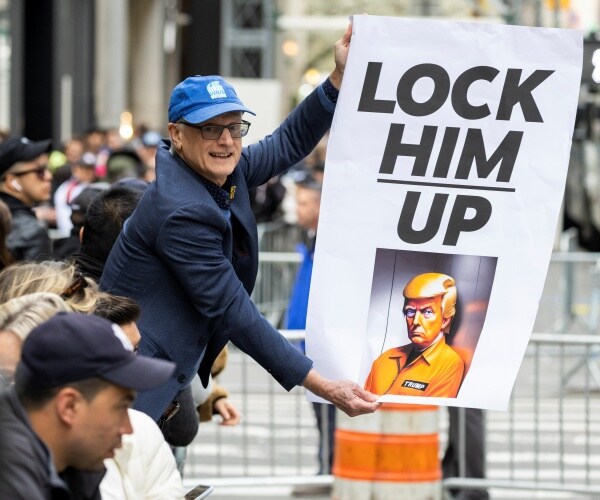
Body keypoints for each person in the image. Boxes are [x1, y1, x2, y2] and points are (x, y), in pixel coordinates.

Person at [100, 24, 379, 422]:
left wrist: (337, 77)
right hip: (130, 388)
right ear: (176, 134)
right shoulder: (180, 210)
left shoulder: (223, 169)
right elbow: (233, 309)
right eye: (210, 128)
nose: (226, 141)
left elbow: (287, 142)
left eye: (234, 127)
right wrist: (323, 385)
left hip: (164, 377)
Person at [0, 312, 176, 499]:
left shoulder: (75, 462)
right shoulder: (12, 483)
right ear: (69, 406)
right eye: (120, 407)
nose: (128, 429)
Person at [285, 173, 336, 490]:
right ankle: (326, 467)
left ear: (319, 206)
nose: (297, 208)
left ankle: (329, 470)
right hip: (304, 338)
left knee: (327, 412)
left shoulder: (326, 244)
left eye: (304, 203)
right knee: (320, 412)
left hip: (318, 340)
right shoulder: (310, 240)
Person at [364, 272, 465, 398]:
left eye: (427, 312)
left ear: (445, 320)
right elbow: (362, 403)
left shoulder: (449, 364)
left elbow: (431, 410)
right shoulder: (386, 358)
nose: (416, 321)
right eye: (410, 311)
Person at [0, 135, 53, 261]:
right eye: (40, 171)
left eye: (47, 168)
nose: (49, 176)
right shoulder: (32, 232)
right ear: (13, 181)